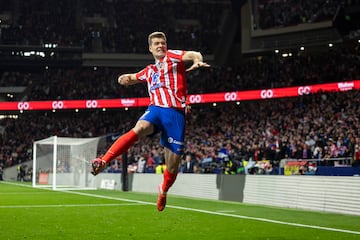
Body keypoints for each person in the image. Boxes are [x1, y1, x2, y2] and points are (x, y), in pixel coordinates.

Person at [90, 31, 210, 211]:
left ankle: (163, 190)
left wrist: (197, 60)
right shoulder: (149, 70)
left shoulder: (173, 57)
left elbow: (193, 54)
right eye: (157, 44)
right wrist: (123, 79)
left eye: (163, 42)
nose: (160, 45)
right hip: (155, 111)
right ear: (150, 48)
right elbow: (133, 77)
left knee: (173, 164)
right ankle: (103, 161)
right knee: (138, 128)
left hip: (175, 114)